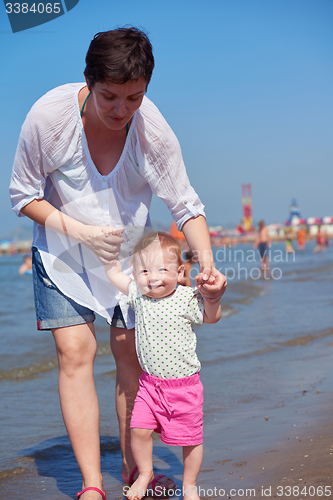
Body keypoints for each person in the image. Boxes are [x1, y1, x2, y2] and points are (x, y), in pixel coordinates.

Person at [9, 27, 227, 500]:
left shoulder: (153, 131)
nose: (121, 111)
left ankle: (135, 470)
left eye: (134, 98)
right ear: (87, 81)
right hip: (61, 249)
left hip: (131, 261)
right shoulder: (49, 118)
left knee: (132, 357)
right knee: (75, 355)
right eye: (109, 96)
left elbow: (185, 205)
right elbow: (22, 195)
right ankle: (91, 485)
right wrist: (81, 232)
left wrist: (206, 264)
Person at [103, 231, 223, 500]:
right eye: (144, 270)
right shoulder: (138, 295)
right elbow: (114, 276)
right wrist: (109, 259)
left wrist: (213, 299)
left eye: (162, 270)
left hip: (184, 387)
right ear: (135, 273)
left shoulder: (186, 297)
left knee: (190, 439)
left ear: (180, 271)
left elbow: (211, 317)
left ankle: (190, 484)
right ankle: (145, 473)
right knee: (139, 430)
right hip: (149, 386)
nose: (152, 277)